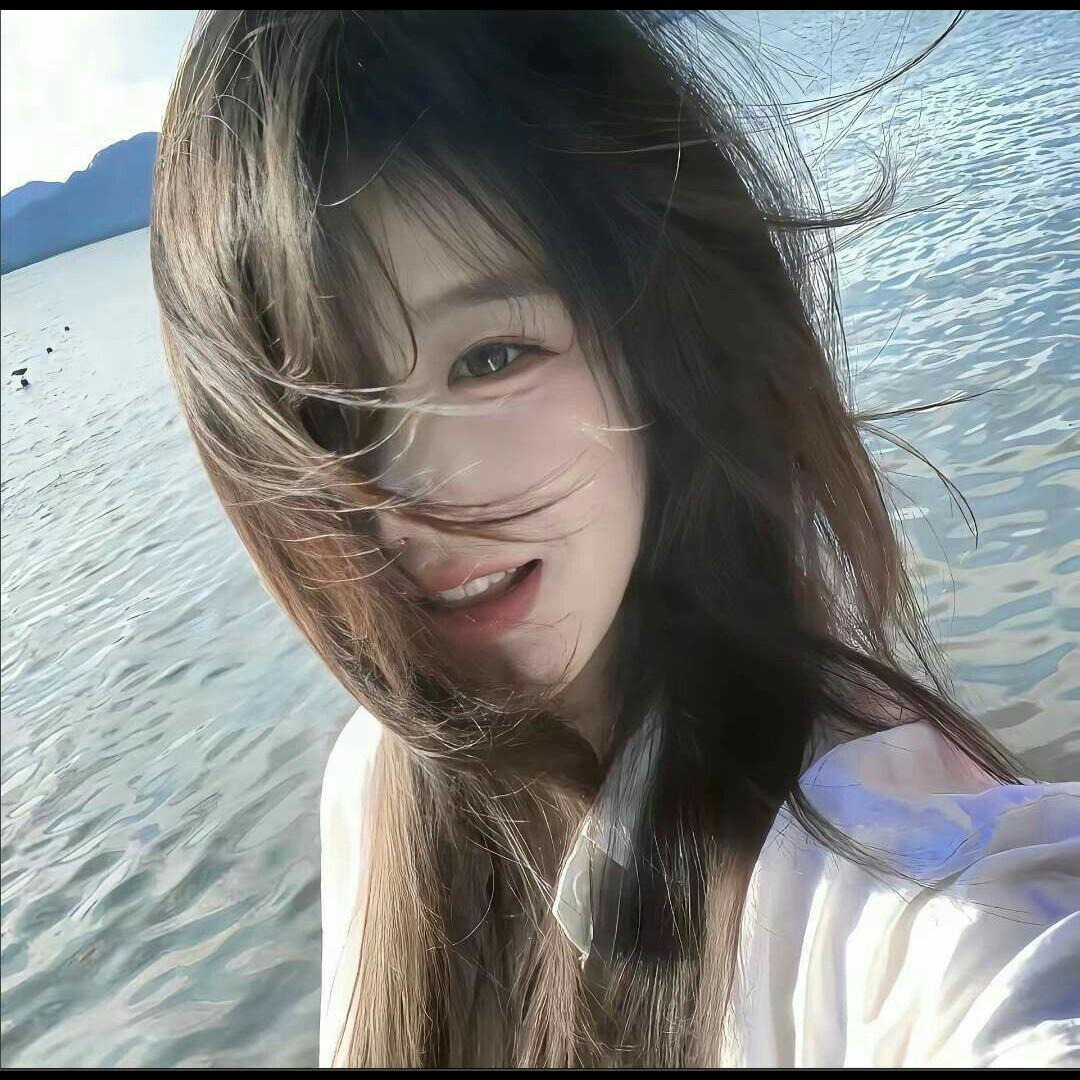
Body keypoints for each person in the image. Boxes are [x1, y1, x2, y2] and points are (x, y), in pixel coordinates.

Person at [149, 11, 1079, 1068]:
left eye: (490, 357)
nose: (410, 499)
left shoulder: (881, 880)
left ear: (657, 343)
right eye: (320, 415)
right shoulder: (378, 780)